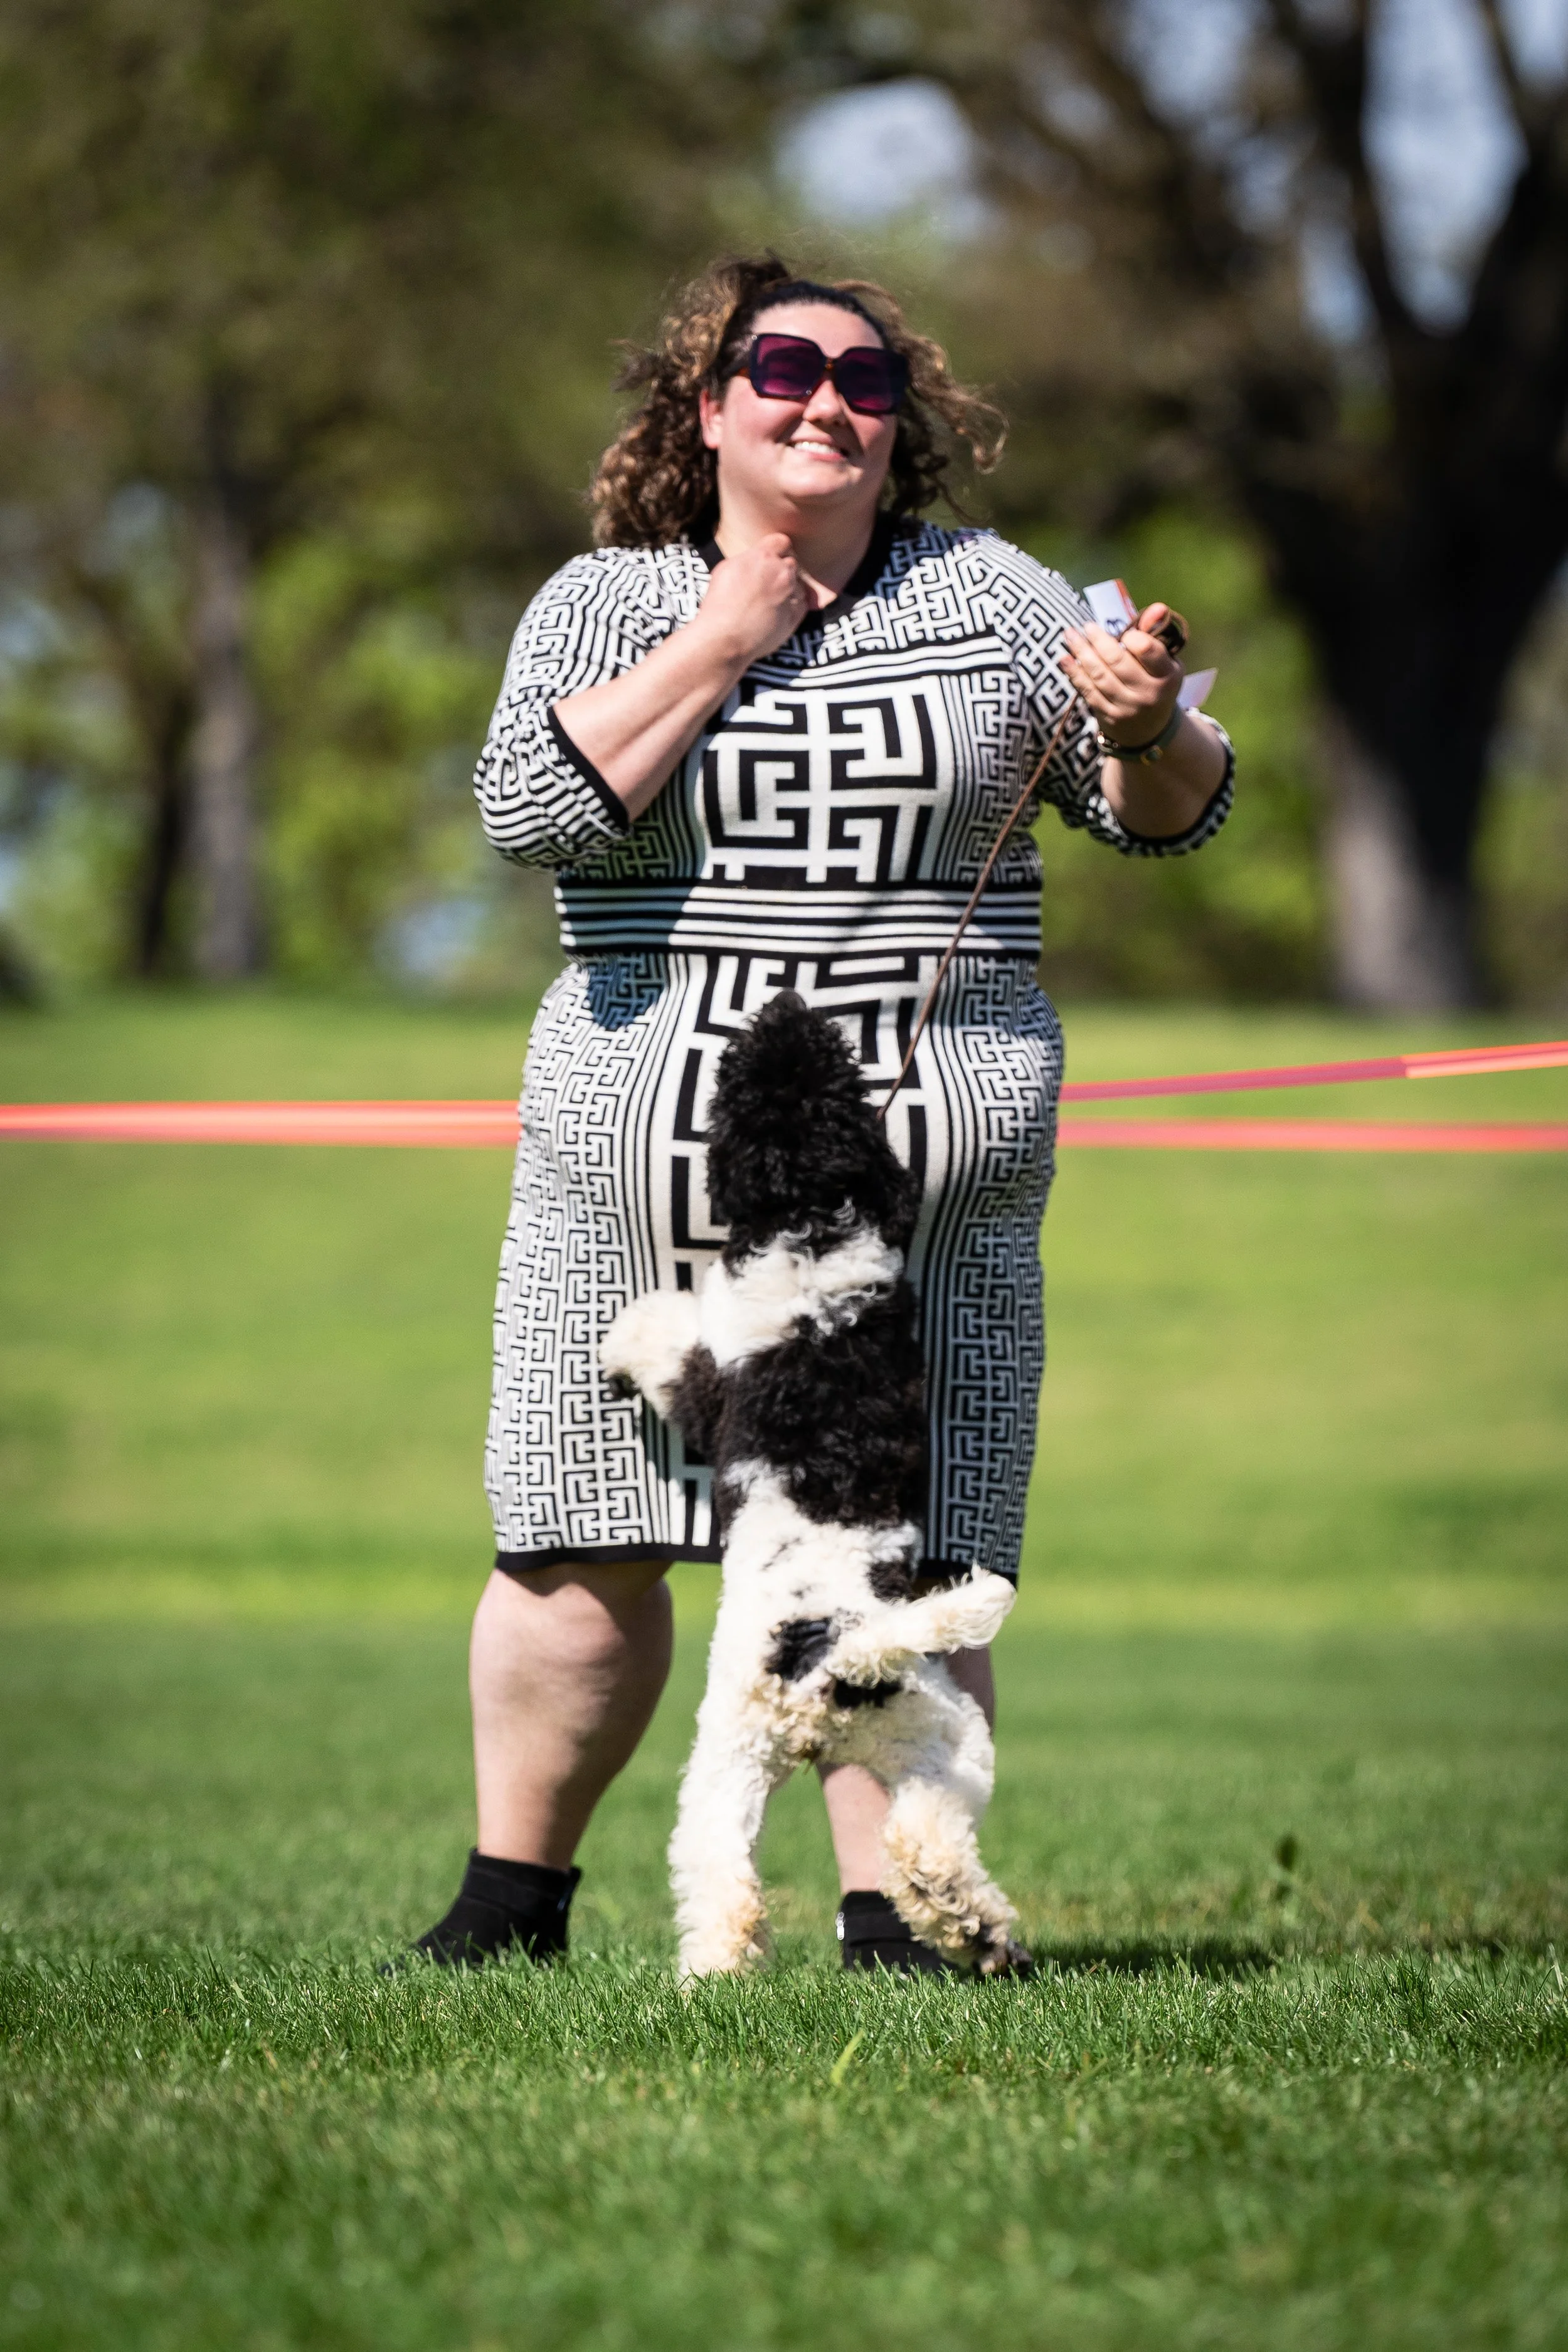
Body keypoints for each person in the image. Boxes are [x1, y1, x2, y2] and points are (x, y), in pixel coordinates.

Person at [405, 255, 1232, 1973]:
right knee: (583, 1544)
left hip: (918, 1201)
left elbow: (1164, 811)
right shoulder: (602, 604)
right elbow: (530, 808)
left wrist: (1152, 729)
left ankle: (896, 1920)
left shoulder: (994, 601)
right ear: (707, 408)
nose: (824, 399)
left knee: (902, 1559)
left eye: (865, 380)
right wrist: (726, 631)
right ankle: (509, 1912)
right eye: (781, 365)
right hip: (632, 1188)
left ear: (896, 425)